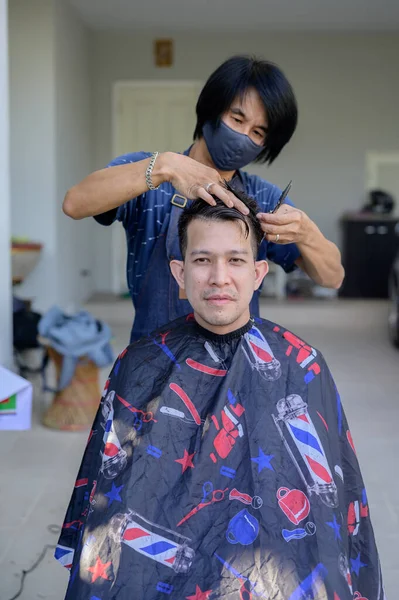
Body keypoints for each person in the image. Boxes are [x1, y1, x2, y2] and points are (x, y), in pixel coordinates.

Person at [56, 191, 384, 600]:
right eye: (201, 260)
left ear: (259, 273)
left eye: (235, 260)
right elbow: (107, 504)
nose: (219, 278)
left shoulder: (302, 365)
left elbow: (336, 501)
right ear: (179, 273)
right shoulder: (139, 365)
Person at [63, 55, 344, 343]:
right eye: (237, 119)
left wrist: (307, 232)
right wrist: (164, 167)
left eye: (258, 132)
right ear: (211, 109)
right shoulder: (151, 174)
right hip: (152, 359)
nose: (243, 136)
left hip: (235, 366)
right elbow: (75, 203)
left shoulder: (263, 197)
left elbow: (332, 277)